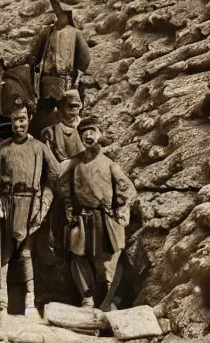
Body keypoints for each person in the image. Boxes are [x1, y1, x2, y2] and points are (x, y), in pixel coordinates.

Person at [0, 98, 60, 316]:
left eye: (22, 120)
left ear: (29, 119)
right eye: (14, 121)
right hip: (8, 203)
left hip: (29, 204)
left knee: (26, 252)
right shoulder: (4, 149)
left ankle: (30, 300)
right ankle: (3, 300)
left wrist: (44, 201)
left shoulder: (39, 148)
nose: (19, 125)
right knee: (5, 252)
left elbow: (55, 173)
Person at [61, 115, 136, 310]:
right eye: (84, 132)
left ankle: (107, 303)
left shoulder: (110, 165)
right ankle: (87, 300)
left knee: (108, 263)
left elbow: (128, 190)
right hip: (84, 218)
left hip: (106, 219)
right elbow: (64, 187)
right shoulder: (75, 165)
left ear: (100, 135)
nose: (88, 135)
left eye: (92, 131)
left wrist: (122, 211)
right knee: (78, 258)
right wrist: (70, 209)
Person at [39, 89, 85, 260]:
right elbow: (52, 167)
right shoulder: (50, 133)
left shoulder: (85, 129)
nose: (74, 112)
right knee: (56, 222)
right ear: (61, 108)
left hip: (79, 186)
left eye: (77, 107)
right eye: (70, 107)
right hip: (58, 186)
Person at [31, 0, 91, 114]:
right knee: (45, 113)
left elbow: (85, 58)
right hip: (47, 80)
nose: (57, 11)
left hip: (66, 80)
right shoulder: (47, 32)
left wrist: (75, 75)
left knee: (66, 112)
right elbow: (34, 55)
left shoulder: (75, 33)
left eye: (59, 8)